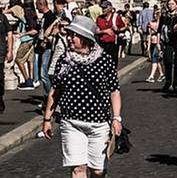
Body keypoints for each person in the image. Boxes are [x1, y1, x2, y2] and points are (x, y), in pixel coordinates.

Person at [42, 16, 123, 178]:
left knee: (98, 171)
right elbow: (55, 90)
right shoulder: (64, 59)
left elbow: (114, 90)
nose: (69, 38)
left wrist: (116, 118)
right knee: (78, 169)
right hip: (71, 123)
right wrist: (47, 120)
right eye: (69, 34)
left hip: (99, 124)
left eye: (74, 35)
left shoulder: (104, 60)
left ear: (85, 38)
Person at [160, 0, 177, 93]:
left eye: (172, 4)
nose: (170, 6)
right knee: (168, 61)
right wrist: (159, 42)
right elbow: (160, 28)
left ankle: (176, 84)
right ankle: (168, 81)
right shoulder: (164, 16)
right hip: (168, 41)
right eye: (169, 4)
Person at [95, 0, 124, 68]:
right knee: (102, 63)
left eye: (104, 8)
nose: (103, 10)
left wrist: (118, 30)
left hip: (113, 43)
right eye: (102, 8)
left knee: (113, 63)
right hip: (102, 44)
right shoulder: (99, 18)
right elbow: (96, 31)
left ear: (110, 8)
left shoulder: (116, 17)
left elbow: (124, 27)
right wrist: (105, 31)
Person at [146, 9, 164, 82]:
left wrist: (158, 43)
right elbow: (149, 35)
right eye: (154, 14)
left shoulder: (161, 24)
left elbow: (160, 33)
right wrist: (148, 46)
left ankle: (152, 76)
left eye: (156, 14)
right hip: (153, 42)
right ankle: (161, 74)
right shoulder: (151, 23)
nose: (154, 16)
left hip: (158, 42)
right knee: (156, 60)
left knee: (155, 58)